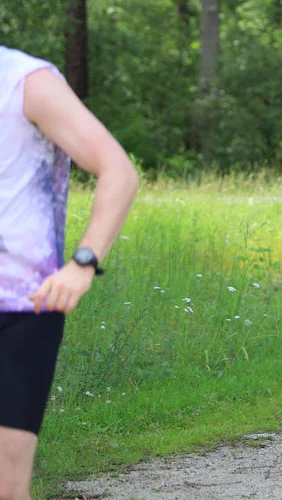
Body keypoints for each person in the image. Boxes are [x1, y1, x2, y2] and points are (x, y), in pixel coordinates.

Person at [0, 46, 138, 500]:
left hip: (21, 309)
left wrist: (83, 263)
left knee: (6, 483)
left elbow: (117, 169)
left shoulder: (28, 82)